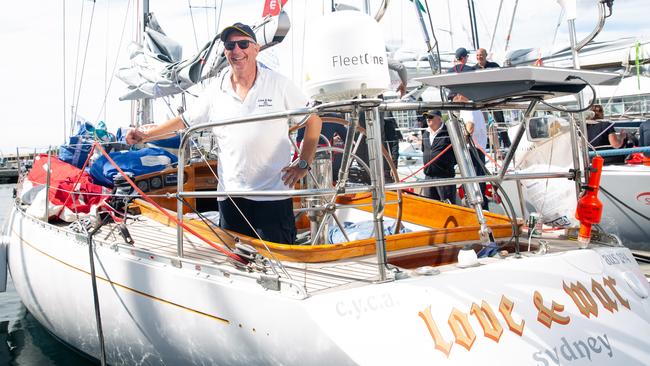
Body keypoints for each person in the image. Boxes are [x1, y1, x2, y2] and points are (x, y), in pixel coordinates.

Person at [126, 22, 322, 244]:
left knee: (278, 261)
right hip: (230, 198)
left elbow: (313, 120)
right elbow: (183, 121)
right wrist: (145, 136)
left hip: (273, 196)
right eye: (230, 46)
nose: (236, 51)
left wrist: (304, 163)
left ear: (256, 49)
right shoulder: (215, 90)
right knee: (236, 264)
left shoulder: (279, 84)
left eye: (243, 44)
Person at [421, 110, 456, 202]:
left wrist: (447, 165)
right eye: (427, 117)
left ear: (439, 119)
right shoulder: (425, 134)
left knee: (448, 206)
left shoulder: (448, 133)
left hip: (444, 177)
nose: (428, 119)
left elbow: (456, 153)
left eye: (431, 117)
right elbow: (424, 150)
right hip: (428, 177)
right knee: (431, 206)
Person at [460, 106, 489, 210]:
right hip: (477, 150)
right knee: (479, 185)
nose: (452, 101)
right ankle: (482, 210)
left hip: (472, 150)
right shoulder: (474, 107)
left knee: (473, 187)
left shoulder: (467, 107)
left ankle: (477, 212)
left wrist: (461, 143)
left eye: (452, 98)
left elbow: (470, 126)